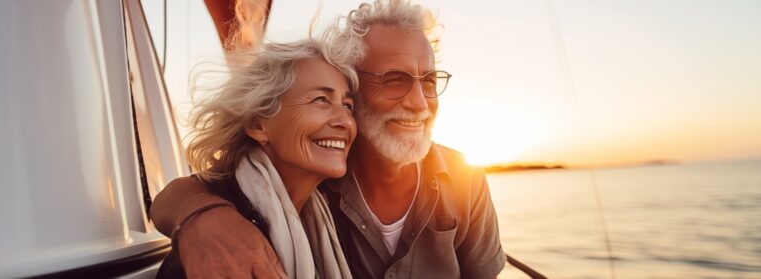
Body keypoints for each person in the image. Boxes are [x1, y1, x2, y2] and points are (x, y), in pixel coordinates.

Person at [151, 0, 506, 278]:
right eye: (395, 79)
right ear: (357, 89)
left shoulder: (466, 180)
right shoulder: (318, 170)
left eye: (428, 81)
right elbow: (180, 194)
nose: (418, 103)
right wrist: (204, 217)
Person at [155, 38, 360, 279]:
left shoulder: (329, 217)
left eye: (347, 106)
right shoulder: (222, 243)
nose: (344, 121)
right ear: (257, 124)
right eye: (321, 100)